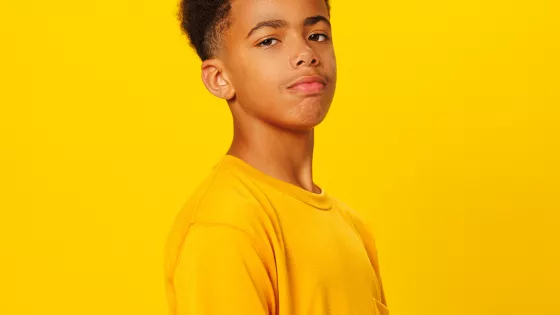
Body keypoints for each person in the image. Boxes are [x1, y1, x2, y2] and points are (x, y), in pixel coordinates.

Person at [164, 0, 389, 314]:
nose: (306, 54)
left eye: (318, 35)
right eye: (268, 40)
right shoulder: (225, 227)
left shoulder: (353, 228)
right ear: (219, 78)